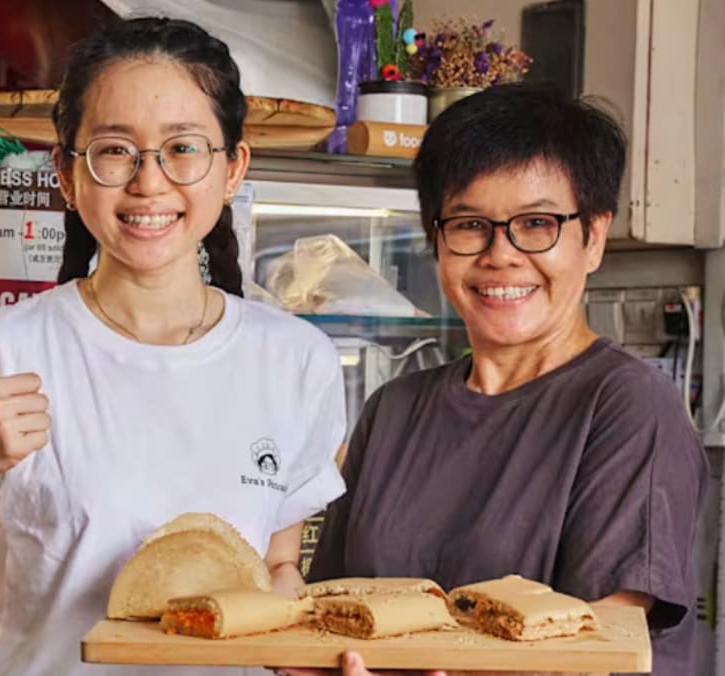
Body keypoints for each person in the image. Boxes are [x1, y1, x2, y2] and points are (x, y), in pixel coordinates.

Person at [0, 17, 349, 676]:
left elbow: (277, 566)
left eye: (183, 148)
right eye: (115, 150)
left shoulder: (296, 359)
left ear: (232, 168)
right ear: (68, 175)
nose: (149, 182)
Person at [285, 85, 708, 676]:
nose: (500, 254)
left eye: (536, 223)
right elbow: (330, 614)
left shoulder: (628, 406)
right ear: (436, 239)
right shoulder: (394, 409)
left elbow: (602, 647)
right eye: (470, 224)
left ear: (593, 237)